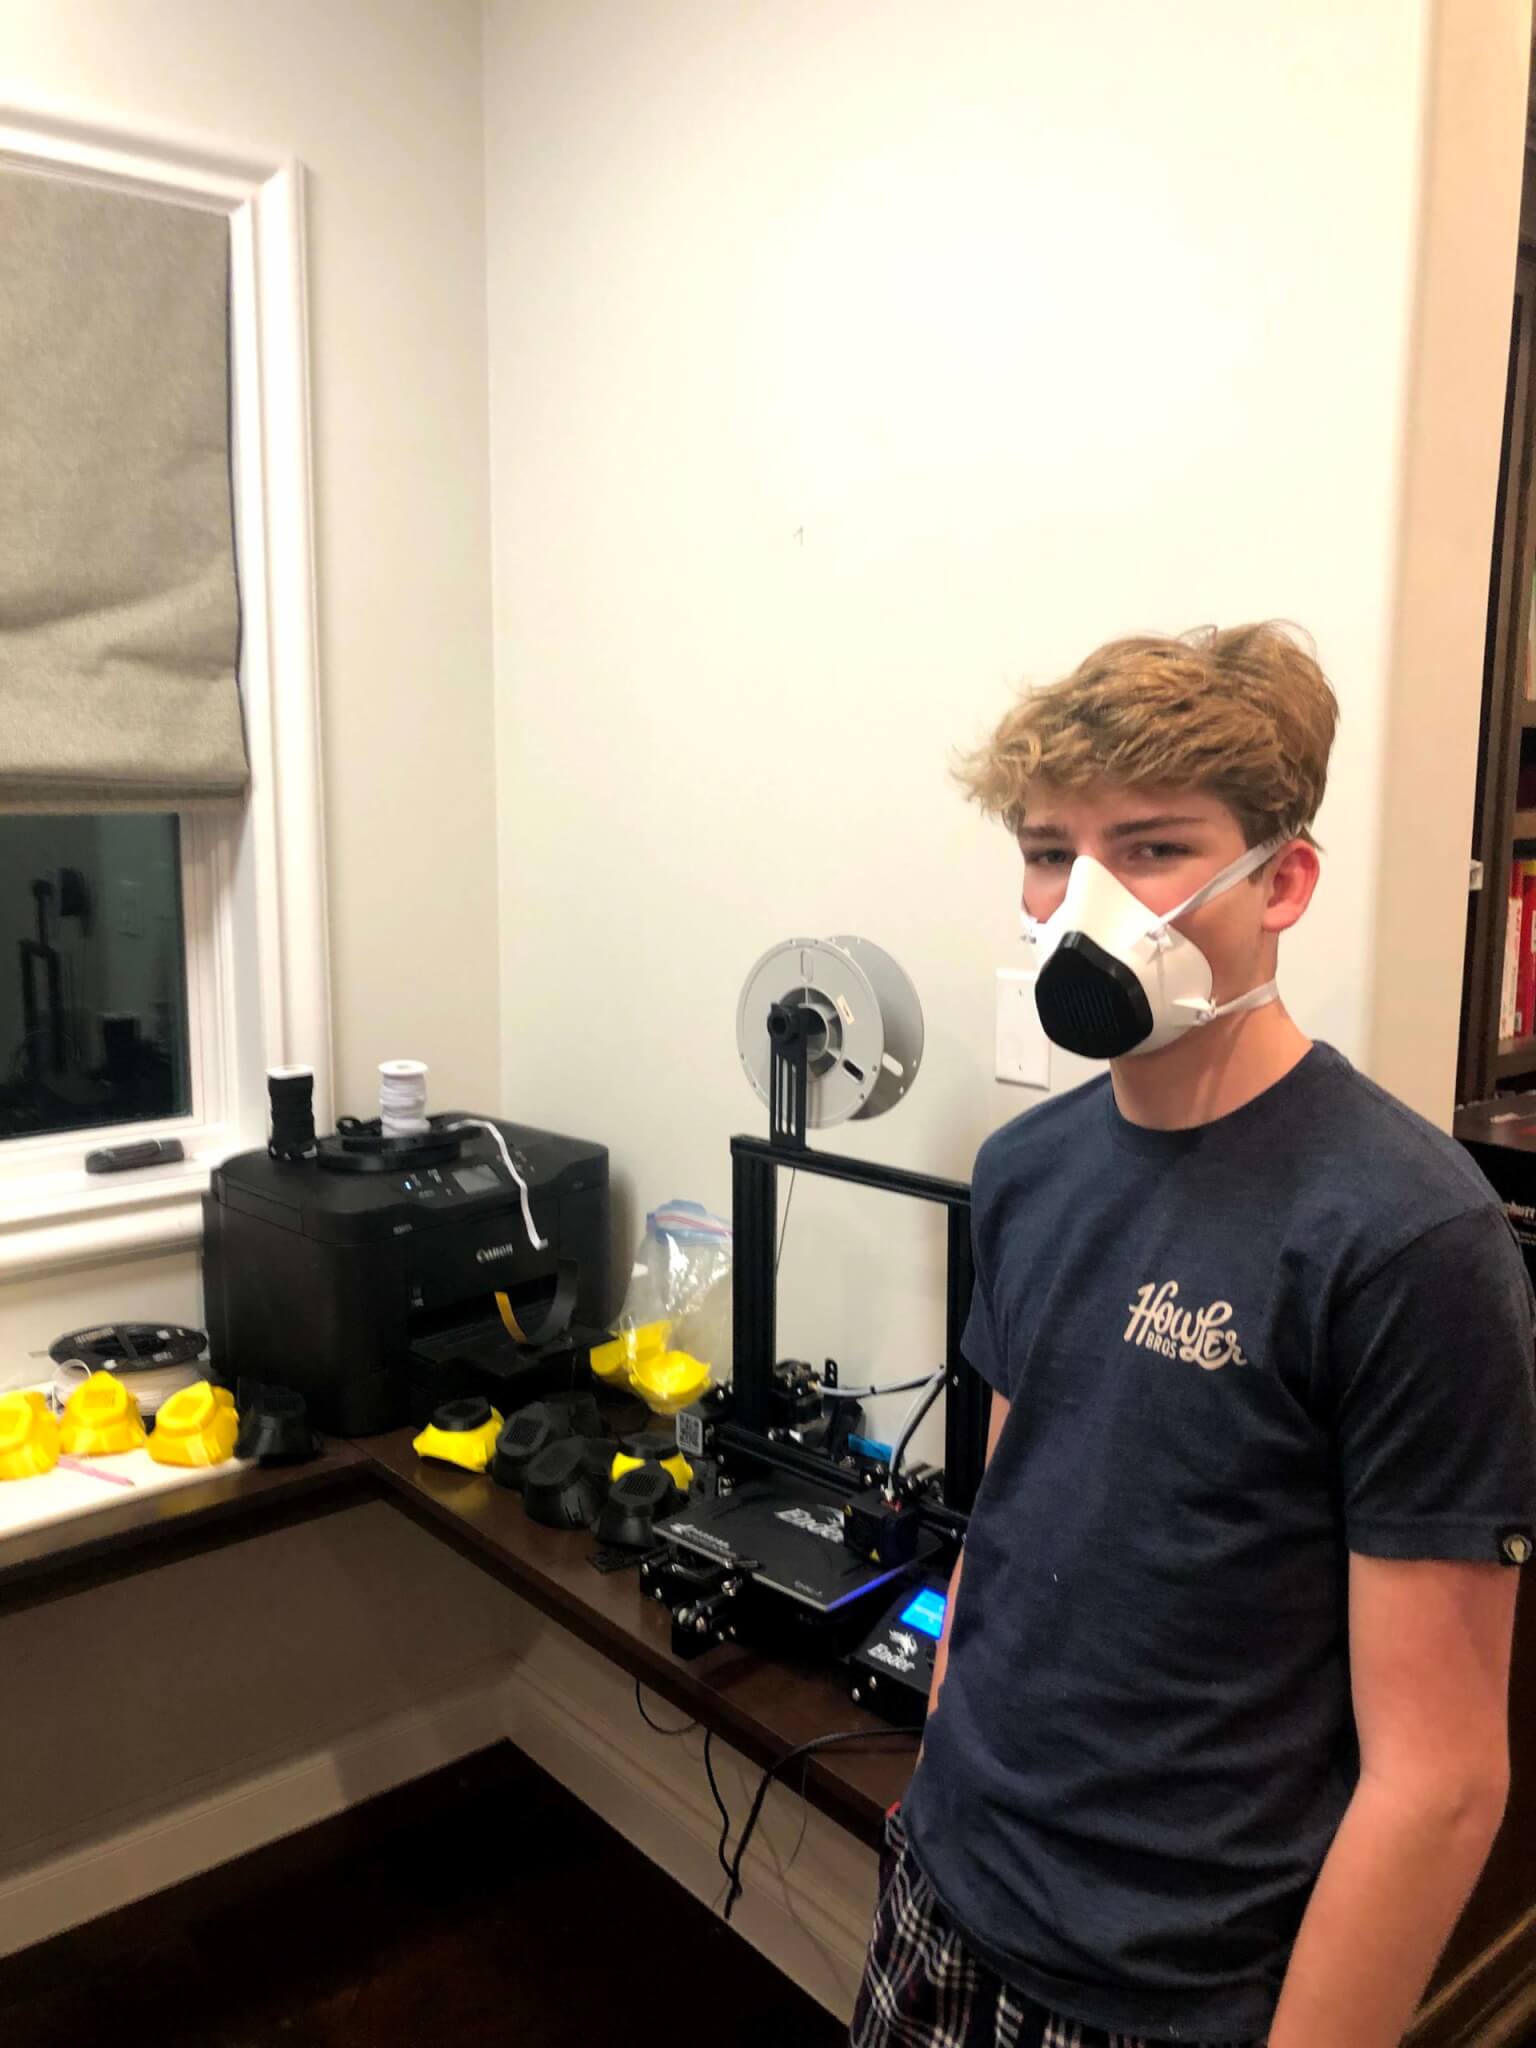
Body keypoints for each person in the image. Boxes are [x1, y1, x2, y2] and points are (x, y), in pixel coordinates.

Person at [851, 624, 1536, 2048]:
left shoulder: (1408, 1236)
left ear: (1282, 881)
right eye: (1052, 852)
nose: (1086, 903)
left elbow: (1442, 1778)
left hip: (1176, 1986)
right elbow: (1012, 1515)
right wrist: (939, 1775)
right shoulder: (1024, 1170)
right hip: (947, 1887)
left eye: (1153, 848)